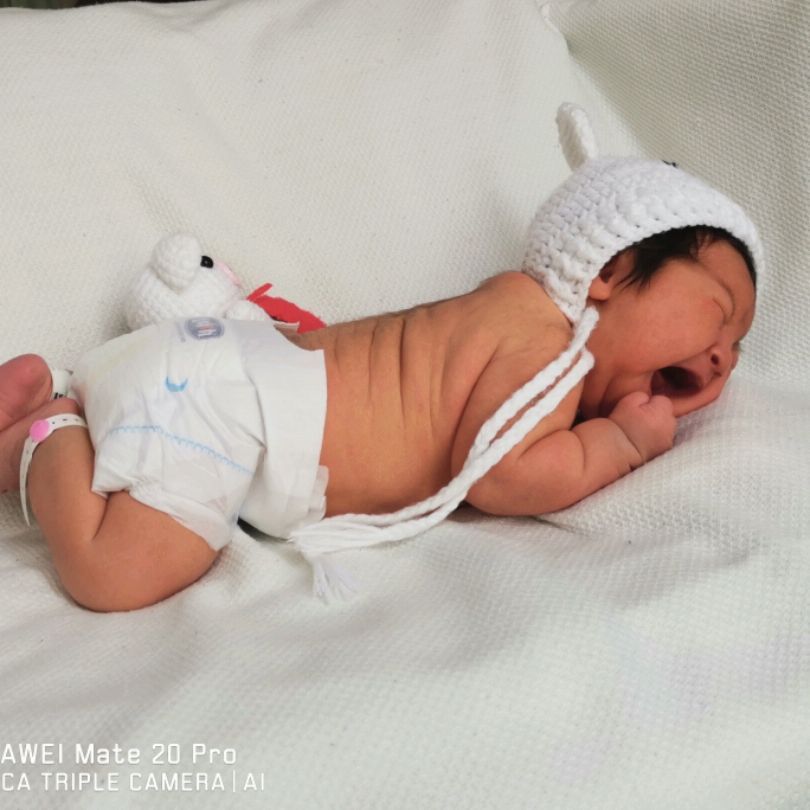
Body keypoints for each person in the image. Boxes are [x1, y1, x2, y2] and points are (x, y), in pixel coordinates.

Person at [0, 106, 762, 611]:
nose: (722, 356)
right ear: (609, 270)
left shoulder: (501, 310)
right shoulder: (545, 349)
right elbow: (505, 474)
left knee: (140, 504)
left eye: (736, 346)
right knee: (116, 574)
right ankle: (53, 434)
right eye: (718, 310)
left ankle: (50, 416)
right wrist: (620, 443)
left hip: (220, 372)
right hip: (236, 413)